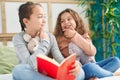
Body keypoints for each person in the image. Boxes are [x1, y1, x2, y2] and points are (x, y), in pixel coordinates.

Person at [12, 2, 85, 80]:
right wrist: (44, 42)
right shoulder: (18, 38)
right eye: (40, 17)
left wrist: (73, 66)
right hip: (31, 74)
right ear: (26, 21)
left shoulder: (50, 37)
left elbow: (60, 60)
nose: (44, 21)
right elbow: (29, 64)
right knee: (18, 70)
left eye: (44, 17)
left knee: (80, 72)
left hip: (46, 75)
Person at [54, 8, 120, 80]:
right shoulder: (58, 40)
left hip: (93, 65)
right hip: (79, 69)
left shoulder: (83, 35)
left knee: (115, 60)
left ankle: (95, 75)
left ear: (76, 20)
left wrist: (74, 35)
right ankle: (111, 74)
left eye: (69, 19)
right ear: (60, 25)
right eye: (62, 21)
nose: (66, 22)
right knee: (90, 67)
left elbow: (92, 52)